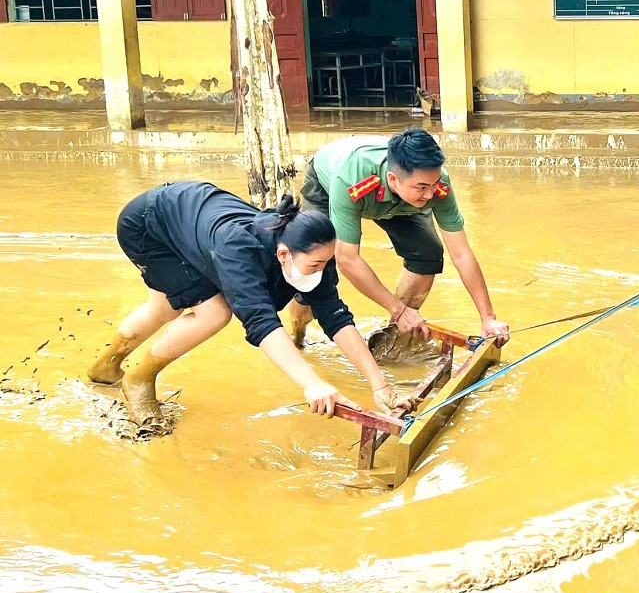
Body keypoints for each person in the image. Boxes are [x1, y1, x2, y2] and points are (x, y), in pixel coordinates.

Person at [87, 182, 414, 431]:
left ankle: (105, 367)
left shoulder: (313, 252)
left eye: (326, 263)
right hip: (148, 224)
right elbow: (261, 324)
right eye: (316, 265)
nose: (323, 270)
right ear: (284, 254)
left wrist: (380, 385)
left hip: (188, 216)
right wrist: (311, 383)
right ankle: (139, 379)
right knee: (214, 312)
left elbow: (336, 317)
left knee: (166, 308)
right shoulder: (238, 250)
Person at [283, 129, 509, 361]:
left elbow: (461, 253)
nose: (431, 195)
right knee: (316, 272)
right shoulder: (351, 179)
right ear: (393, 179)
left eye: (434, 184)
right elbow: (347, 259)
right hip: (329, 187)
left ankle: (390, 339)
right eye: (422, 187)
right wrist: (398, 308)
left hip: (400, 200)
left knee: (428, 253)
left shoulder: (434, 186)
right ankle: (298, 338)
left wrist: (488, 317)